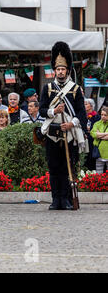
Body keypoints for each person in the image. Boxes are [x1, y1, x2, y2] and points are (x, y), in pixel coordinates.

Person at [39, 41, 87, 210]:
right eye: (58, 69)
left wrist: (71, 123)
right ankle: (55, 199)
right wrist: (54, 111)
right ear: (55, 70)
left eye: (63, 69)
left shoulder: (75, 89)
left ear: (67, 70)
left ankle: (66, 199)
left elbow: (82, 114)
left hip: (70, 133)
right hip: (53, 134)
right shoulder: (48, 88)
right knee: (54, 168)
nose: (60, 72)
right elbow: (42, 110)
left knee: (68, 167)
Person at [84, 98, 101, 171]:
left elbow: (97, 128)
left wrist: (90, 128)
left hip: (92, 140)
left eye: (86, 104)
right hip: (84, 139)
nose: (84, 105)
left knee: (91, 157)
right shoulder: (83, 116)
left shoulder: (97, 116)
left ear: (91, 106)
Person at [90, 106, 108, 173]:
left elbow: (97, 135)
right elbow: (93, 134)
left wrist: (99, 135)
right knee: (99, 174)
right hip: (99, 152)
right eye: (102, 115)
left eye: (105, 115)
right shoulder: (97, 123)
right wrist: (106, 134)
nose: (103, 116)